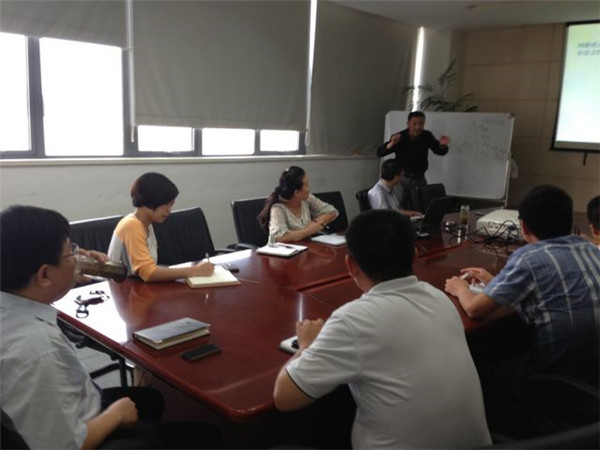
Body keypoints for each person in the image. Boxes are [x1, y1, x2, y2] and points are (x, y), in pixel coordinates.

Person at [273, 210, 491, 449]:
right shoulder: (438, 297)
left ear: (350, 265)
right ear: (415, 256)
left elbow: (284, 398)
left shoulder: (352, 320)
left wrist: (306, 345)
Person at [445, 185, 600, 433]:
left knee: (487, 369)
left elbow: (475, 309)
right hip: (592, 370)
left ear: (524, 226)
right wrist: (494, 282)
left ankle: (509, 430)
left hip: (558, 369)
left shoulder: (528, 257)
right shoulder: (590, 249)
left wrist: (459, 288)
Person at [108, 172, 213, 282]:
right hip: (125, 290)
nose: (169, 210)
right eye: (166, 204)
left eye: (171, 205)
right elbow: (148, 273)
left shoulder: (147, 224)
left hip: (138, 288)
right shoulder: (132, 225)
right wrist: (195, 270)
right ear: (150, 200)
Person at [376, 111, 449, 210]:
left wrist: (443, 145)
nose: (418, 127)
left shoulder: (427, 136)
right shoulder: (400, 137)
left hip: (419, 178)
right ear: (408, 123)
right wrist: (391, 144)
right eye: (414, 124)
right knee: (398, 207)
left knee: (421, 207)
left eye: (421, 124)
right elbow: (380, 152)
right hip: (401, 178)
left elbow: (439, 151)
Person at [257, 166, 338, 244]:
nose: (309, 187)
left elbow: (332, 211)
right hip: (282, 252)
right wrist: (311, 229)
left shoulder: (307, 199)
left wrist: (319, 221)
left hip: (305, 248)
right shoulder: (277, 208)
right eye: (307, 185)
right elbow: (281, 237)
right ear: (297, 193)